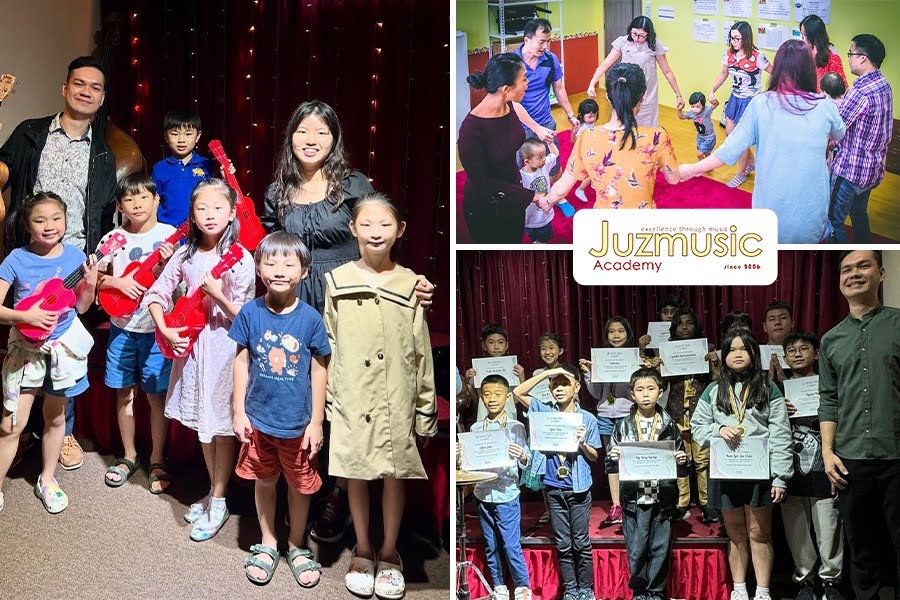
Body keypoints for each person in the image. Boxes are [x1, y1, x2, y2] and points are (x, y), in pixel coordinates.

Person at [263, 100, 434, 541]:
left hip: (348, 296)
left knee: (347, 395)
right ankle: (305, 484)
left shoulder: (352, 183)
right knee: (303, 393)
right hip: (295, 301)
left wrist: (412, 284)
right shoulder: (278, 190)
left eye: (322, 132)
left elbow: (379, 233)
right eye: (303, 131)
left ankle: (338, 492)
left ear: (335, 139)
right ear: (291, 137)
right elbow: (264, 245)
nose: (312, 140)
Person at [0, 55, 118, 470]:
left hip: (73, 265)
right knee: (26, 343)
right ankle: (19, 429)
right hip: (31, 256)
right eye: (79, 84)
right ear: (64, 88)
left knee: (65, 350)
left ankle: (62, 431)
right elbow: (2, 173)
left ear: (102, 98)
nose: (86, 92)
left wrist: (98, 269)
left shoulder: (104, 154)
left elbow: (105, 216)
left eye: (95, 87)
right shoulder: (30, 133)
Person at [323, 193, 437, 599]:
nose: (375, 232)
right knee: (354, 471)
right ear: (352, 229)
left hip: (396, 395)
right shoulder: (336, 280)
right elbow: (329, 342)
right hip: (353, 393)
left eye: (385, 224)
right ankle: (364, 548)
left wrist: (425, 410)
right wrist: (329, 397)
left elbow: (420, 350)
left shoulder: (411, 284)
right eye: (366, 224)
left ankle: (389, 552)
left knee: (393, 473)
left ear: (400, 230)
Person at [143, 179, 256, 541]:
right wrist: (166, 328)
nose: (209, 215)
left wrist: (219, 296)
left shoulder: (241, 257)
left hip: (226, 352)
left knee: (222, 427)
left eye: (217, 208)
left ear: (231, 212)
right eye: (202, 208)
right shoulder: (185, 253)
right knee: (205, 427)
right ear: (192, 213)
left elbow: (248, 318)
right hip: (191, 351)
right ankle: (213, 491)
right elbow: (157, 293)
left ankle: (219, 499)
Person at [230, 231, 329, 587]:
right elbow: (240, 363)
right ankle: (269, 541)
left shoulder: (311, 319)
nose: (279, 270)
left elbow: (320, 370)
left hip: (298, 424)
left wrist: (316, 422)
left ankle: (296, 543)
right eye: (270, 262)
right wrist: (239, 412)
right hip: (259, 421)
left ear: (304, 271)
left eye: (289, 263)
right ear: (258, 268)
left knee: (301, 487)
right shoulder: (249, 312)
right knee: (265, 480)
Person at [680, 40, 846, 243]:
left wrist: (691, 169)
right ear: (809, 71)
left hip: (770, 211)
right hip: (811, 211)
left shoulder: (761, 103)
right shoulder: (824, 105)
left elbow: (729, 149)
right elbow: (840, 133)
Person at [0, 192, 99, 513]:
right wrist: (24, 317)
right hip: (26, 350)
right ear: (27, 225)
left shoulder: (74, 257)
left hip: (63, 351)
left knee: (55, 418)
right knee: (10, 424)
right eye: (40, 220)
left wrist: (91, 284)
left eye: (56, 218)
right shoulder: (16, 258)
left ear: (66, 220)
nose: (49, 226)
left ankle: (47, 479)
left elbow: (80, 306)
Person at [819, 250, 899, 600]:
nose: (854, 274)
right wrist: (827, 452)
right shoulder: (830, 340)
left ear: (881, 274)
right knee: (862, 548)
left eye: (863, 266)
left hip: (897, 456)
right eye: (846, 269)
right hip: (851, 460)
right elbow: (828, 399)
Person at [691, 330, 793, 600]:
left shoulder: (768, 387)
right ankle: (738, 589)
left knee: (760, 534)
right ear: (724, 356)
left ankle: (762, 591)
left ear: (753, 353)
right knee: (736, 535)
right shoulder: (713, 389)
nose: (737, 354)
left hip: (759, 472)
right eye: (731, 350)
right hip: (726, 471)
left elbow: (781, 433)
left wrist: (780, 476)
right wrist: (719, 428)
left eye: (743, 349)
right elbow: (697, 428)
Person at [97, 174, 176, 493]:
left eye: (144, 197)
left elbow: (184, 285)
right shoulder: (112, 239)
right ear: (119, 205)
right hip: (122, 329)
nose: (137, 204)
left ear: (157, 200)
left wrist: (167, 268)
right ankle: (129, 456)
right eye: (129, 199)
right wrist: (118, 283)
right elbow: (93, 280)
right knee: (123, 393)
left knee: (157, 397)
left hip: (157, 330)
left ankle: (157, 459)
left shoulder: (171, 236)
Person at [514, 365, 602, 600]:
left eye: (565, 383)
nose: (559, 388)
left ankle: (586, 589)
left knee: (581, 542)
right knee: (563, 543)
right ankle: (571, 590)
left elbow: (594, 457)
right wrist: (546, 374)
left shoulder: (588, 419)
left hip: (579, 487)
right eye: (555, 384)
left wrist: (583, 443)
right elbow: (518, 393)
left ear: (577, 387)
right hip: (553, 487)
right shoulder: (544, 412)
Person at [547, 63, 680, 211]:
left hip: (604, 224)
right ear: (644, 96)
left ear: (608, 96)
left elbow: (562, 188)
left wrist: (546, 202)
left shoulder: (588, 137)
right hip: (642, 225)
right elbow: (673, 178)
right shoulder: (657, 137)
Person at [607, 368, 689, 600]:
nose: (645, 394)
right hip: (634, 495)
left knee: (660, 547)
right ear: (632, 394)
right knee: (636, 546)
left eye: (651, 389)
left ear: (660, 392)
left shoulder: (669, 425)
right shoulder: (622, 426)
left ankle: (655, 591)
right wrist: (612, 457)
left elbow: (681, 460)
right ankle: (639, 591)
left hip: (661, 495)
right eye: (640, 389)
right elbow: (610, 464)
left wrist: (682, 461)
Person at [779, 331, 845, 600]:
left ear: (816, 353)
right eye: (791, 350)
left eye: (803, 348)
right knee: (797, 530)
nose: (796, 354)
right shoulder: (776, 392)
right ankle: (805, 580)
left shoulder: (828, 387)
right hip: (790, 471)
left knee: (829, 527)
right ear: (784, 357)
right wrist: (777, 409)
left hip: (823, 469)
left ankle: (831, 582)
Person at [458, 374, 532, 600]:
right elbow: (468, 464)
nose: (492, 399)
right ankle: (498, 586)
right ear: (481, 397)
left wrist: (522, 455)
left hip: (507, 494)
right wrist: (460, 456)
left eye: (498, 394)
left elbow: (527, 458)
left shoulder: (516, 426)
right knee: (490, 545)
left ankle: (522, 587)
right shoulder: (476, 428)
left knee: (510, 545)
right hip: (482, 494)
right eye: (487, 394)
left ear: (508, 397)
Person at [458, 54, 544, 243]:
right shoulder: (471, 130)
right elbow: (482, 181)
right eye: (524, 79)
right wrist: (532, 196)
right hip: (487, 205)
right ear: (506, 89)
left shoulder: (508, 104)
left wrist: (538, 128)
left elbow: (518, 110)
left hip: (512, 192)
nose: (528, 83)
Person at [828, 35, 893, 244]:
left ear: (863, 58)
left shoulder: (859, 92)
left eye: (851, 54)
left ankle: (840, 261)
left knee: (833, 221)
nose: (849, 59)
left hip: (850, 170)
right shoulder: (884, 85)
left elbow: (838, 129)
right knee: (858, 213)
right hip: (871, 169)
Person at [579, 316, 640, 526]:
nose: (616, 335)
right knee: (612, 460)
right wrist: (589, 374)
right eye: (611, 331)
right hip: (605, 415)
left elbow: (639, 391)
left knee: (630, 459)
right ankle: (616, 505)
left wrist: (639, 370)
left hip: (628, 414)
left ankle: (632, 501)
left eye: (620, 331)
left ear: (628, 334)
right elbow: (597, 394)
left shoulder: (634, 358)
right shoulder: (601, 359)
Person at [661, 307, 719, 523]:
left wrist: (714, 362)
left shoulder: (707, 348)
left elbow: (717, 381)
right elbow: (660, 385)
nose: (685, 327)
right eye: (680, 323)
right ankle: (681, 502)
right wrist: (659, 367)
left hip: (701, 415)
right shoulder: (667, 350)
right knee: (680, 460)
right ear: (674, 327)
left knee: (703, 461)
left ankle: (707, 503)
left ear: (696, 326)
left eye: (689, 323)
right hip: (676, 414)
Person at [707, 21, 774, 188]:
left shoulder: (758, 57)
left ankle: (741, 173)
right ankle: (750, 161)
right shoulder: (729, 54)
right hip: (735, 98)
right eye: (731, 38)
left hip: (750, 101)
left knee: (740, 138)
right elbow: (723, 73)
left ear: (746, 38)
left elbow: (775, 72)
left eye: (737, 38)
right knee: (730, 132)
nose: (733, 42)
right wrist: (712, 90)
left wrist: (770, 94)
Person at [586, 16, 685, 127]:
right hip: (625, 93)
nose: (637, 38)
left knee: (646, 129)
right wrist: (592, 84)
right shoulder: (623, 42)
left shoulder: (654, 46)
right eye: (634, 33)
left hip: (646, 96)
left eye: (641, 36)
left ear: (649, 34)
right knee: (623, 126)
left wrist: (678, 95)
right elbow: (605, 64)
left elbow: (667, 72)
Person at [512, 18, 579, 174]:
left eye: (548, 41)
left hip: (546, 123)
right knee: (516, 171)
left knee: (553, 167)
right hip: (519, 128)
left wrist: (570, 115)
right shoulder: (512, 63)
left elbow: (559, 88)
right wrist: (536, 128)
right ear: (527, 40)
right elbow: (511, 101)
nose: (545, 46)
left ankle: (552, 197)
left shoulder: (550, 59)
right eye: (541, 41)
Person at [151, 110, 214, 227]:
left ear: (198, 136)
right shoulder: (159, 168)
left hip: (200, 230)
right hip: (168, 230)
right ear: (166, 136)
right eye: (174, 134)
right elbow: (153, 203)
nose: (181, 140)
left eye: (188, 134)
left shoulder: (206, 164)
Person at [465, 324, 525, 423]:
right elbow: (476, 400)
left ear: (507, 345)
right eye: (491, 342)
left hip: (508, 417)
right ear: (484, 345)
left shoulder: (514, 369)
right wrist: (467, 382)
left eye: (500, 342)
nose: (496, 347)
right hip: (484, 419)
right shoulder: (478, 370)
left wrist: (522, 379)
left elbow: (516, 400)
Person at [519, 137, 566, 244]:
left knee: (544, 237)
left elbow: (555, 153)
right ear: (527, 161)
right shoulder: (520, 176)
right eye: (540, 157)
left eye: (544, 155)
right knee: (533, 237)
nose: (544, 159)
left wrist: (550, 143)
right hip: (528, 217)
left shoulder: (544, 166)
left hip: (544, 215)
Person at [799, 15, 847, 91]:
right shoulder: (805, 51)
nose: (803, 40)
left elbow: (841, 88)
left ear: (815, 36)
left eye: (806, 36)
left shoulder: (832, 56)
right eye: (802, 36)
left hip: (825, 100)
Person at [571, 99, 599, 203]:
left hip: (591, 150)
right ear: (582, 115)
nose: (593, 119)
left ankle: (593, 182)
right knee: (592, 172)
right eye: (590, 117)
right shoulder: (582, 128)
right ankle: (580, 189)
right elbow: (575, 142)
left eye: (595, 116)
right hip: (585, 153)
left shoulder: (589, 124)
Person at [677, 92, 717, 159]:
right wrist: (679, 110)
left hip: (709, 137)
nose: (695, 109)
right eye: (693, 106)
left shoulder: (706, 110)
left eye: (698, 107)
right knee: (705, 154)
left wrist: (713, 100)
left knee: (700, 154)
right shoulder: (691, 113)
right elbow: (682, 117)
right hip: (700, 137)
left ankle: (702, 166)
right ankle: (707, 165)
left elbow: (715, 105)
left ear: (703, 106)